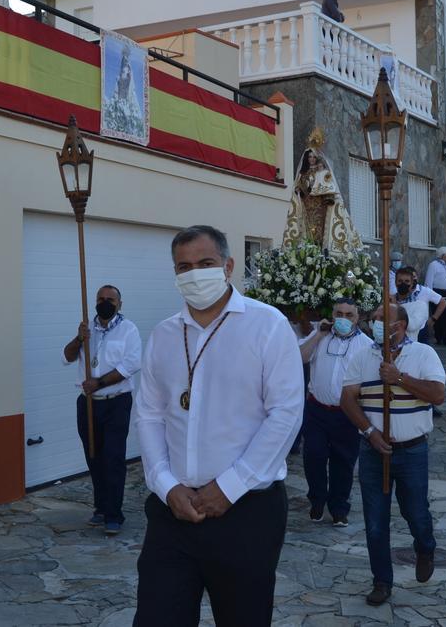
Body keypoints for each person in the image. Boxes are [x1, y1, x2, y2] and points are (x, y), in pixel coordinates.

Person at [133, 225, 303, 627]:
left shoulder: (267, 326)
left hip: (246, 513)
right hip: (172, 513)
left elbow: (285, 414)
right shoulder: (163, 336)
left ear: (228, 266)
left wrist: (228, 488)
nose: (194, 274)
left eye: (205, 264)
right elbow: (150, 415)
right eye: (184, 266)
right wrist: (164, 483)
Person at [339, 303, 446, 607]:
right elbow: (347, 399)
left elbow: (438, 395)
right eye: (373, 320)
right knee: (375, 521)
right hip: (374, 451)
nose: (374, 324)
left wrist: (399, 378)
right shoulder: (363, 356)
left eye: (380, 320)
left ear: (400, 326)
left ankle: (425, 546)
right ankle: (382, 581)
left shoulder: (423, 354)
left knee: (415, 512)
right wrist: (369, 432)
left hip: (412, 450)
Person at [62, 285, 142, 535]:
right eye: (100, 299)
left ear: (119, 304)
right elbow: (67, 356)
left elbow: (131, 365)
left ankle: (114, 514)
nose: (104, 303)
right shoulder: (87, 329)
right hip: (87, 403)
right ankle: (100, 508)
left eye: (110, 299)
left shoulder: (128, 330)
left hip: (116, 401)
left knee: (113, 458)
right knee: (93, 456)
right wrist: (78, 338)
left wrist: (99, 382)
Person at [299, 298, 373, 526]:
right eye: (338, 314)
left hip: (347, 413)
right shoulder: (320, 337)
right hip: (317, 410)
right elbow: (299, 357)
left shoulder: (367, 346)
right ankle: (317, 500)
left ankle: (339, 507)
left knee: (344, 461)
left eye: (349, 315)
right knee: (314, 456)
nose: (343, 319)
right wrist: (319, 335)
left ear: (357, 318)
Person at [393, 266, 446, 343]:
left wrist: (433, 319)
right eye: (400, 281)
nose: (403, 284)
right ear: (395, 283)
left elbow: (443, 302)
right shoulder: (391, 299)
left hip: (419, 331)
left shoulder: (421, 300)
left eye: (407, 281)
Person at [424, 246, 446, 346]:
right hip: (438, 293)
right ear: (442, 255)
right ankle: (438, 337)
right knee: (438, 315)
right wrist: (429, 295)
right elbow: (429, 280)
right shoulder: (433, 265)